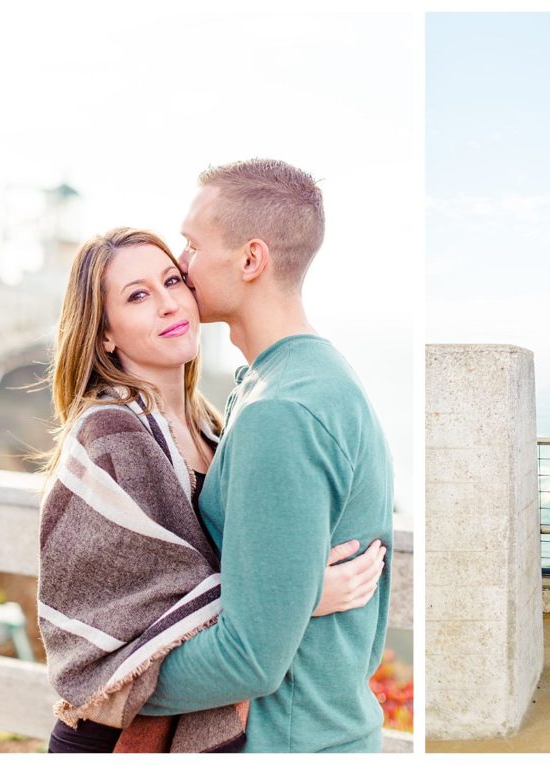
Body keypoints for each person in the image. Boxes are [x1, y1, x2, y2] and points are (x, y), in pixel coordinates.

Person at [37, 228, 386, 753]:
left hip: (169, 722)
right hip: (110, 738)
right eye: (137, 295)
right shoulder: (109, 434)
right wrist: (297, 596)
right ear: (104, 333)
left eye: (173, 281)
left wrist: (276, 596)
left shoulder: (212, 430)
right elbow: (118, 623)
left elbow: (220, 571)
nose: (168, 303)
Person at [135, 159, 395, 752]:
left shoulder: (282, 410)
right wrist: (298, 595)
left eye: (192, 246)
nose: (180, 266)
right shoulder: (291, 378)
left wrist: (112, 680)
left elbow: (250, 658)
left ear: (251, 260)